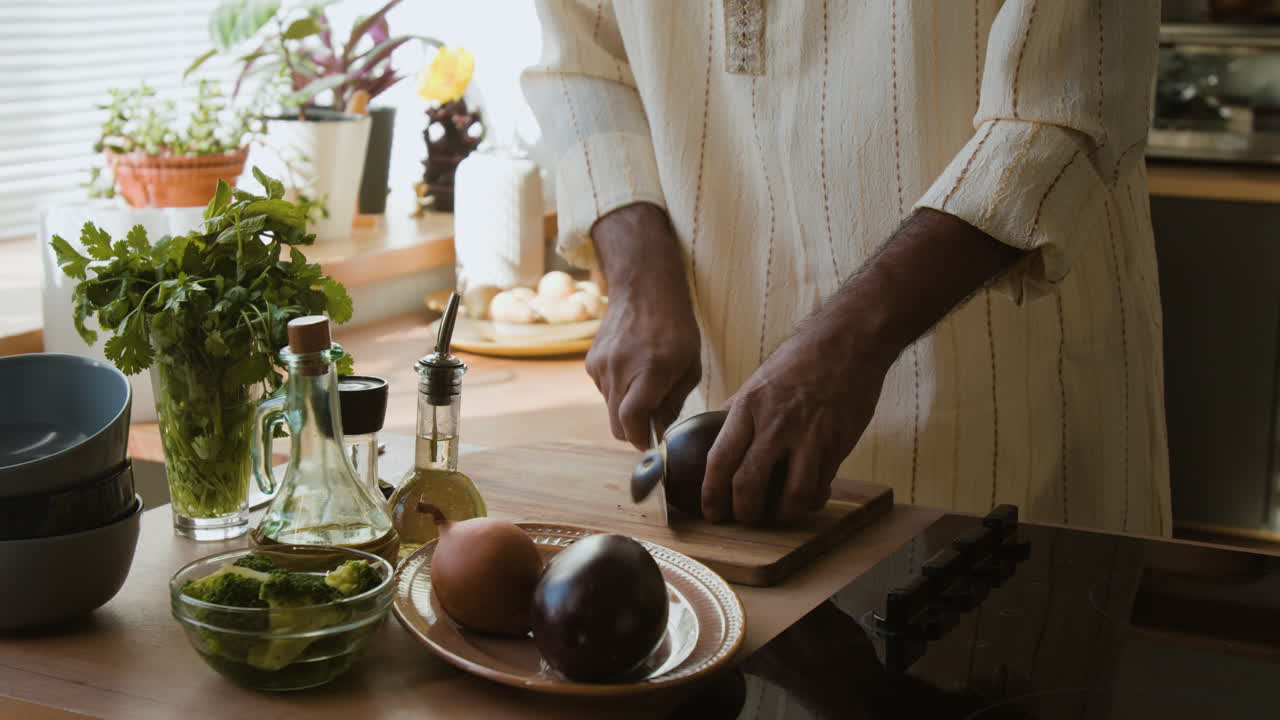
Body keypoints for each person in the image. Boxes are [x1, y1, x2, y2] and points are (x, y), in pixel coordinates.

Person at [522, 0, 1170, 537]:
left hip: (995, 417)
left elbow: (1065, 106)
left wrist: (849, 343)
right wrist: (637, 271)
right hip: (720, 401)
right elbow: (585, 63)